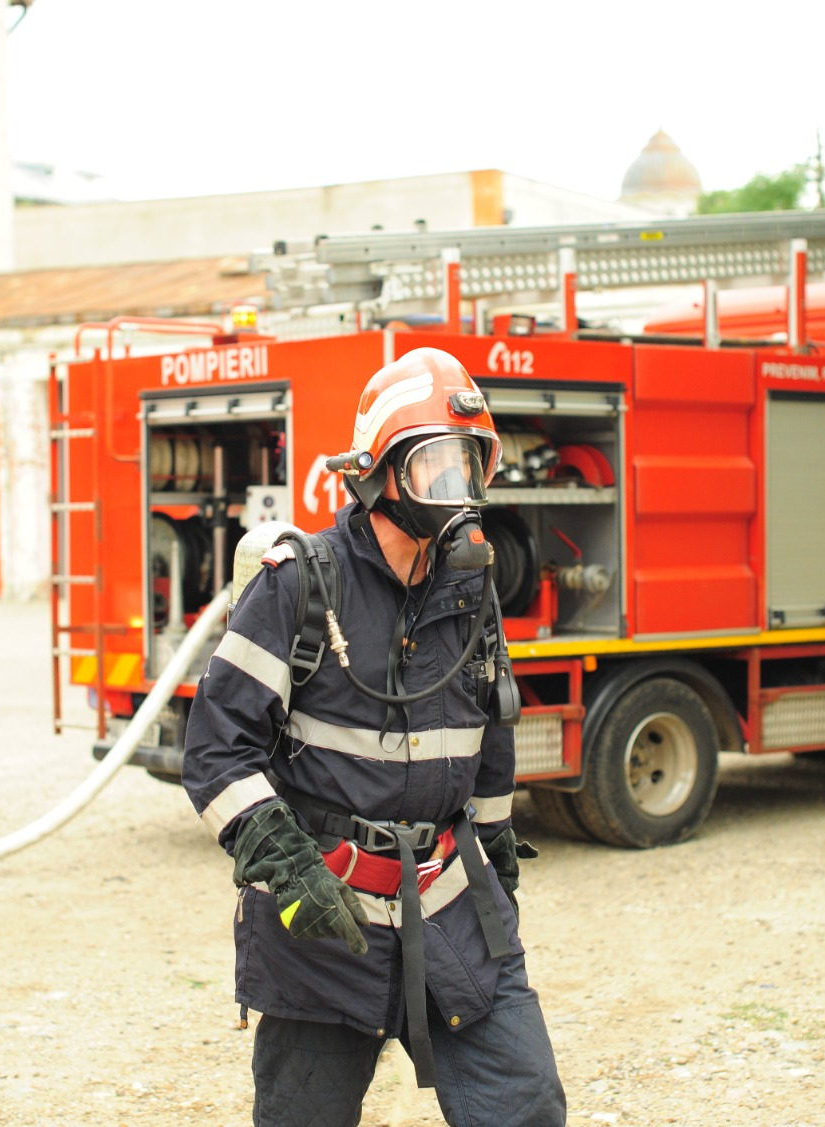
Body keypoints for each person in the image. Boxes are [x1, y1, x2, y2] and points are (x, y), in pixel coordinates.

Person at [183, 347, 566, 1127]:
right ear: (380, 474)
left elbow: (488, 741)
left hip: (453, 909)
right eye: (437, 467)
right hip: (326, 919)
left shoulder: (471, 588)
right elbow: (217, 748)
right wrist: (289, 870)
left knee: (525, 1108)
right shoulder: (298, 583)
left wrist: (495, 857)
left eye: (470, 465)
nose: (458, 492)